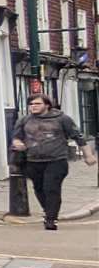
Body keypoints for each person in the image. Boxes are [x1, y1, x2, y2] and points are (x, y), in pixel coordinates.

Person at [10, 94, 87, 230]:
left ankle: (51, 219)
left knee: (51, 188)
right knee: (39, 189)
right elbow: (16, 137)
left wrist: (89, 155)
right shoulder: (24, 120)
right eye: (31, 104)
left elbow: (78, 136)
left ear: (47, 105)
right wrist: (18, 143)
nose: (33, 106)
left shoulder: (62, 119)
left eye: (37, 104)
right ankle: (49, 210)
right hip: (33, 161)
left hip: (56, 160)